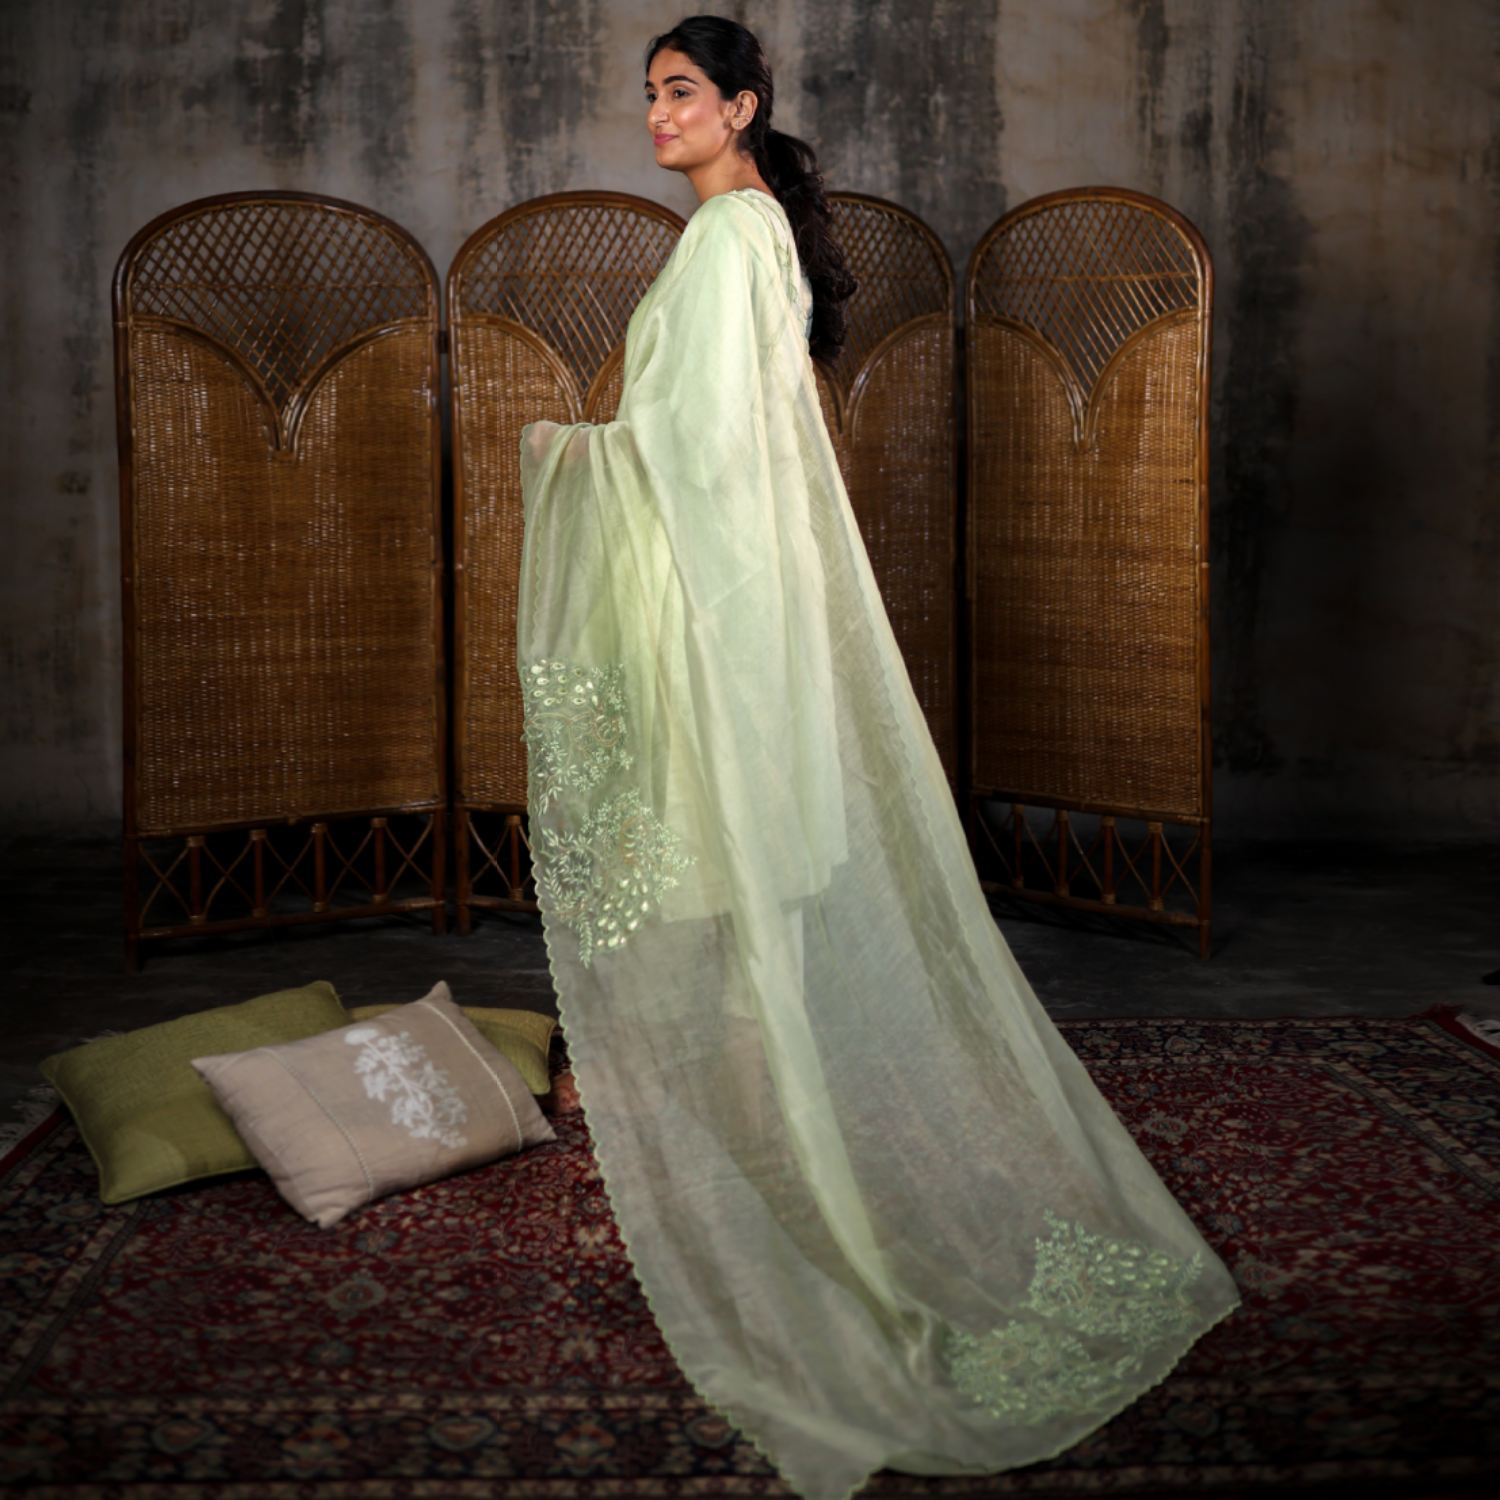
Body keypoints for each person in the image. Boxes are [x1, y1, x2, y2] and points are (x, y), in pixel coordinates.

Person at [516, 16, 1241, 1500]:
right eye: (646, 95)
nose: (656, 116)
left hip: (711, 603)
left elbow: (700, 449)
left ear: (742, 105)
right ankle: (759, 1118)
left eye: (680, 93)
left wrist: (565, 452)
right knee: (743, 884)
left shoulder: (728, 241)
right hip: (746, 594)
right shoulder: (760, 234)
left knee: (716, 875)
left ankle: (773, 1164)